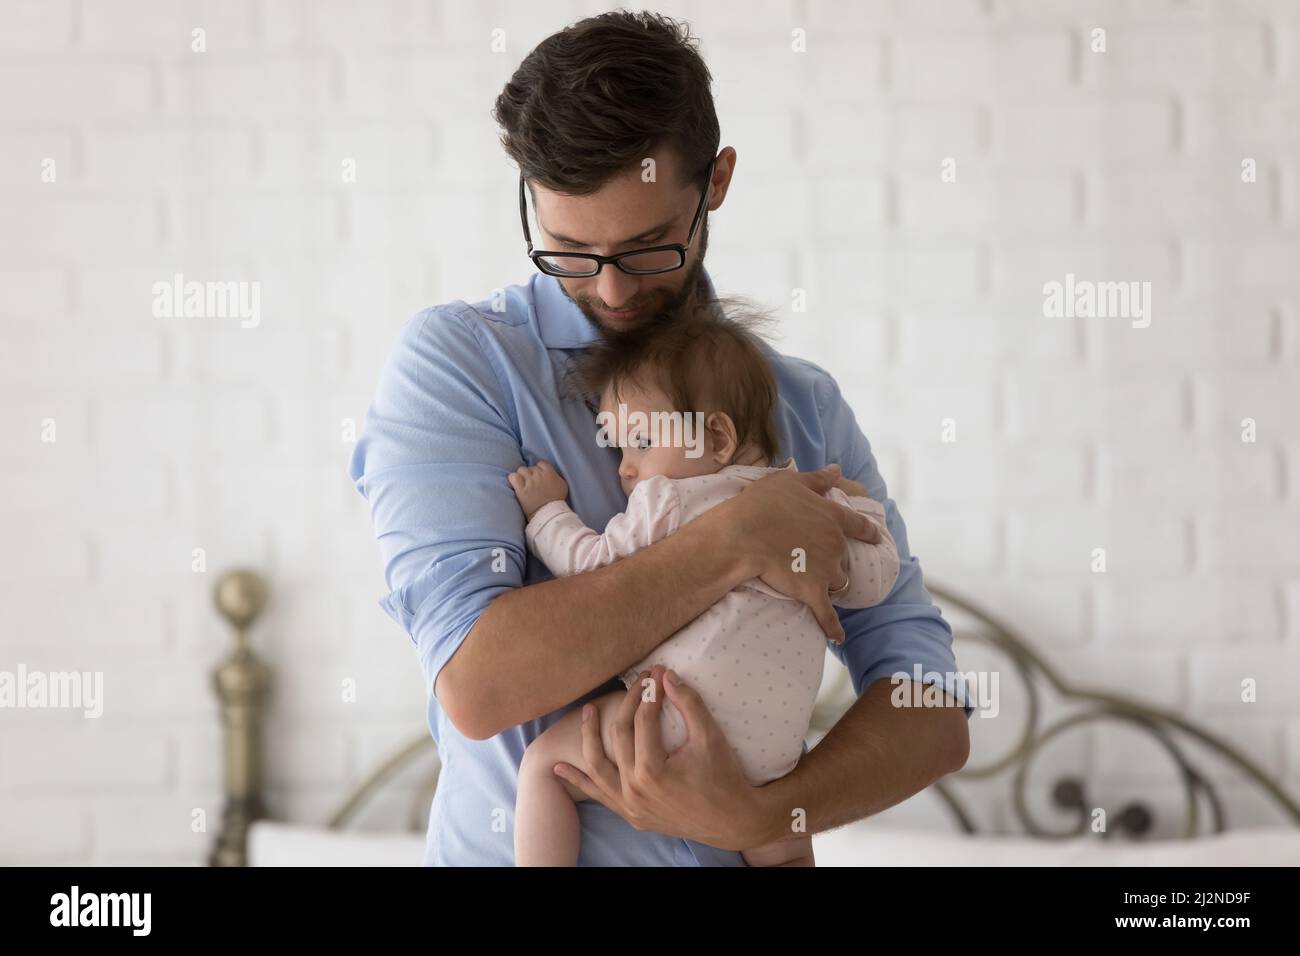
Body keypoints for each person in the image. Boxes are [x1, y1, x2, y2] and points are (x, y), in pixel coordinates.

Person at [349, 10, 971, 866]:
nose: (607, 291)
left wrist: (771, 819)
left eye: (646, 249)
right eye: (568, 250)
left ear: (715, 183)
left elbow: (930, 704)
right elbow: (479, 684)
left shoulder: (802, 407)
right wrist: (734, 538)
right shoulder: (461, 365)